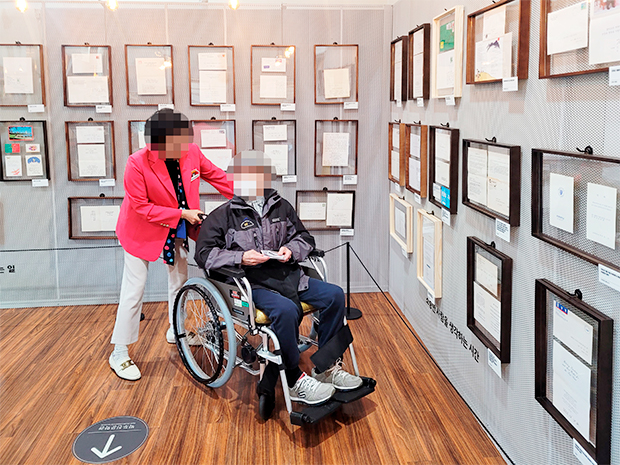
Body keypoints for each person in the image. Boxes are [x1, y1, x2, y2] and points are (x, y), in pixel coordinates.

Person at [195, 151, 362, 405]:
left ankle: (326, 368)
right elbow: (204, 255)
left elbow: (304, 238)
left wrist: (290, 250)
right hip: (251, 283)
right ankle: (294, 380)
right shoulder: (223, 216)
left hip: (287, 275)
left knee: (335, 295)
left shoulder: (281, 207)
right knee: (285, 310)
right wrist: (241, 258)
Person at [109, 109, 234, 381]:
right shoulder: (136, 163)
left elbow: (220, 178)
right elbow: (141, 207)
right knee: (134, 289)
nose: (184, 147)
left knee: (179, 281)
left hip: (177, 227)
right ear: (157, 144)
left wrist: (253, 195)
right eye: (177, 143)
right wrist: (182, 214)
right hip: (141, 230)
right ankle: (119, 351)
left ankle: (176, 329)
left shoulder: (191, 152)